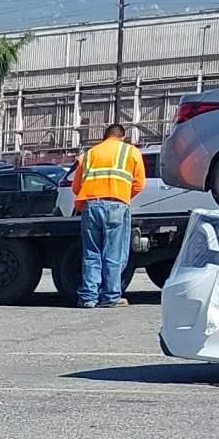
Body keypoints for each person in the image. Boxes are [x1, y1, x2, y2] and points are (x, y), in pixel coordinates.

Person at [71, 122, 145, 310]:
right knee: (113, 253)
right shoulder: (131, 152)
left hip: (91, 205)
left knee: (91, 253)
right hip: (117, 204)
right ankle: (111, 296)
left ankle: (88, 297)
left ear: (104, 137)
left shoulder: (89, 154)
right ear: (122, 137)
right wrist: (122, 195)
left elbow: (76, 187)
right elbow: (139, 183)